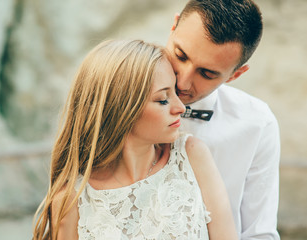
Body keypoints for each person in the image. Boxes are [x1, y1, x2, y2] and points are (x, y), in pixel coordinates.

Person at [32, 39, 237, 239]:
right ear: (121, 108)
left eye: (175, 92)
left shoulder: (191, 155)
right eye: (163, 99)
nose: (180, 108)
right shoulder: (72, 199)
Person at [166, 0, 280, 239]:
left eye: (206, 73)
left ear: (236, 74)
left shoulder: (258, 124)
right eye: (180, 55)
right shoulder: (116, 97)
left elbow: (259, 233)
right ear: (174, 26)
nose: (182, 82)